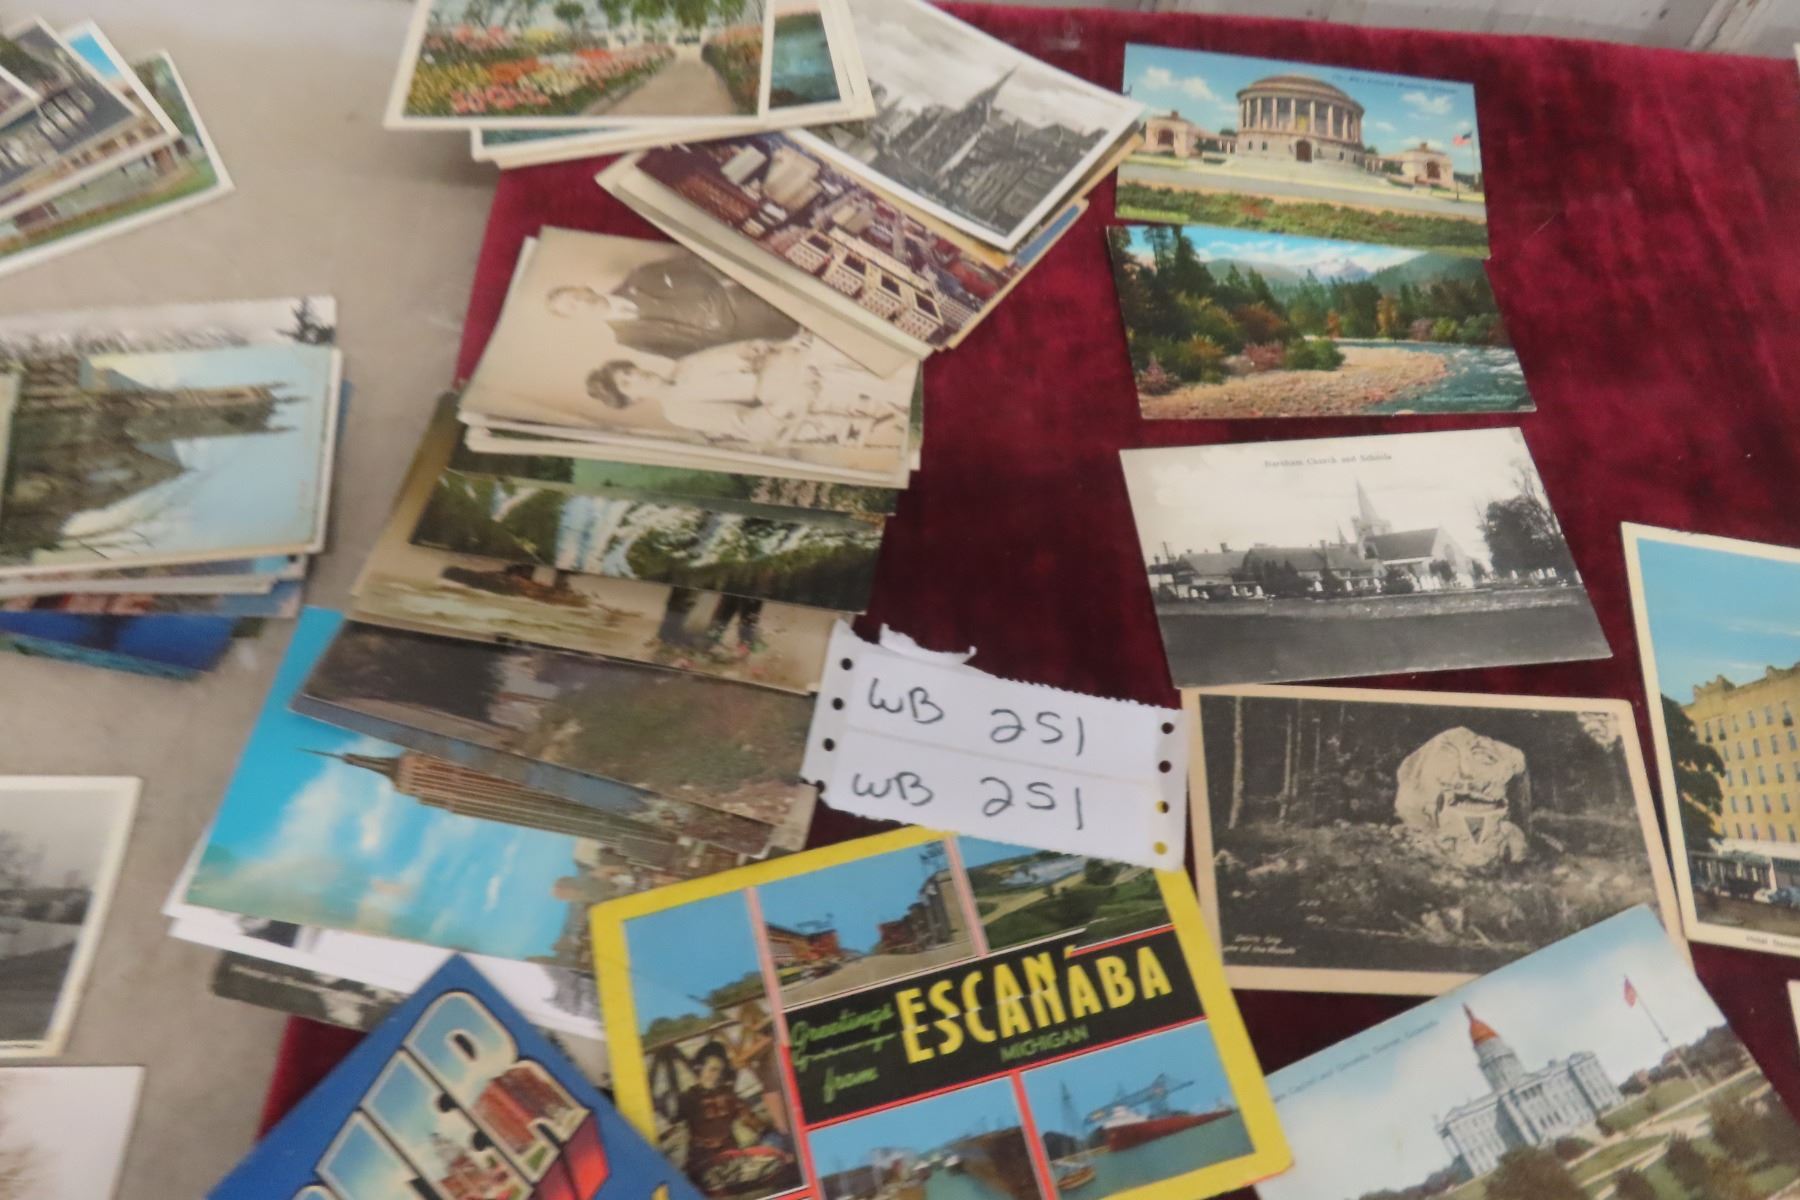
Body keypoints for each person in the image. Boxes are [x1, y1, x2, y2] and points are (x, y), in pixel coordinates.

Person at [545, 253, 799, 360]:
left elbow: (695, 261)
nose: (579, 303)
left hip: (739, 302)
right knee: (798, 338)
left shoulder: (640, 275)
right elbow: (682, 355)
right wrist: (734, 351)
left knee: (802, 310)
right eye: (572, 308)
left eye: (574, 296)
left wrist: (729, 284)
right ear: (577, 319)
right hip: (734, 339)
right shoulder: (627, 339)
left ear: (583, 287)